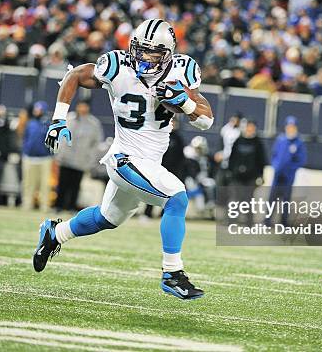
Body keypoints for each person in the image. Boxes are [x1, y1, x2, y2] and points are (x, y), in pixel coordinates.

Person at [35, 19, 214, 300]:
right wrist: (58, 119)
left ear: (167, 53)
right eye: (139, 49)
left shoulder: (182, 70)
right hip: (124, 158)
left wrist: (186, 103)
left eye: (152, 52)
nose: (143, 57)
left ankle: (55, 234)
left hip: (150, 162)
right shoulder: (117, 65)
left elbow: (205, 121)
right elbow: (75, 76)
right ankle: (172, 273)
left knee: (108, 218)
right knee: (177, 197)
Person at [55, 100, 103, 213]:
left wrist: (90, 159)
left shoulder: (94, 123)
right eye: (80, 106)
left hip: (81, 160)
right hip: (66, 158)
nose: (82, 109)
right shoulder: (69, 118)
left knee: (75, 185)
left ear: (88, 108)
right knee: (62, 184)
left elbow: (96, 143)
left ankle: (71, 207)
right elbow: (60, 136)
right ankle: (58, 206)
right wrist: (59, 153)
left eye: (84, 107)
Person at [267, 116, 307, 227]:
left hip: (288, 177)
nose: (290, 129)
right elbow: (274, 156)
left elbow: (301, 160)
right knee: (272, 199)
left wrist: (289, 170)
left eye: (292, 127)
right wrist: (276, 168)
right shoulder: (280, 140)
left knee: (285, 201)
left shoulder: (299, 142)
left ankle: (284, 222)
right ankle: (267, 221)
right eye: (289, 126)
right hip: (277, 176)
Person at [227, 120, 267, 226]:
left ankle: (249, 222)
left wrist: (261, 175)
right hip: (237, 176)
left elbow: (261, 161)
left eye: (252, 127)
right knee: (235, 198)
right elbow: (232, 158)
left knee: (249, 199)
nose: (250, 129)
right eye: (248, 127)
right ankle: (231, 221)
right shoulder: (238, 141)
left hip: (251, 177)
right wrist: (231, 171)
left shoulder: (258, 143)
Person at [21, 101, 53, 213]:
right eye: (36, 109)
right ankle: (27, 204)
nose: (36, 111)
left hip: (44, 158)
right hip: (29, 157)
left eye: (39, 109)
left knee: (45, 184)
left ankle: (44, 206)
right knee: (28, 183)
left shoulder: (48, 124)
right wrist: (25, 151)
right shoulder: (30, 123)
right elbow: (25, 138)